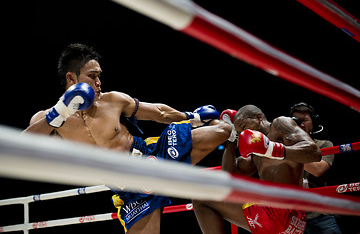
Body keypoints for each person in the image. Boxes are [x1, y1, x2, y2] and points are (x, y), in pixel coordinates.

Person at [23, 43, 231, 234]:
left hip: (152, 155)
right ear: (71, 79)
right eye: (92, 76)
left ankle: (251, 139)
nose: (98, 82)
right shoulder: (48, 119)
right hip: (129, 186)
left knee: (222, 131)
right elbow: (23, 144)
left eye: (99, 76)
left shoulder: (112, 100)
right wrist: (58, 113)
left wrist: (192, 117)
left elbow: (158, 112)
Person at [193, 104, 322, 234]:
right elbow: (229, 176)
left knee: (201, 199)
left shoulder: (280, 124)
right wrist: (231, 139)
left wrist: (271, 149)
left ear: (259, 117)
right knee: (200, 197)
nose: (243, 133)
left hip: (287, 210)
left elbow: (314, 152)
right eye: (239, 132)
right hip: (274, 218)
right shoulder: (256, 152)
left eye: (244, 127)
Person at [290, 102, 341, 234]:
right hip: (292, 217)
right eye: (296, 121)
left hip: (321, 214)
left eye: (305, 120)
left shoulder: (325, 144)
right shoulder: (284, 147)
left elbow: (318, 170)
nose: (301, 124)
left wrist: (285, 153)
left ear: (314, 122)